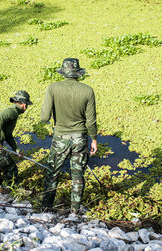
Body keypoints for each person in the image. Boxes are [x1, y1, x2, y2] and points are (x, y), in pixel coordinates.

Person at [41, 58, 98, 213]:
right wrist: (94, 139)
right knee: (78, 176)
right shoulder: (87, 90)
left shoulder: (52, 88)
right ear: (78, 73)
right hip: (80, 138)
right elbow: (91, 120)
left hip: (60, 138)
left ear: (63, 72)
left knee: (53, 173)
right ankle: (75, 211)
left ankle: (45, 208)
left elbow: (45, 117)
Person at [0, 91, 33, 189]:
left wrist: (16, 150)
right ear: (24, 105)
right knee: (11, 167)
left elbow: (8, 135)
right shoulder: (12, 111)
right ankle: (12, 189)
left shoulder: (14, 113)